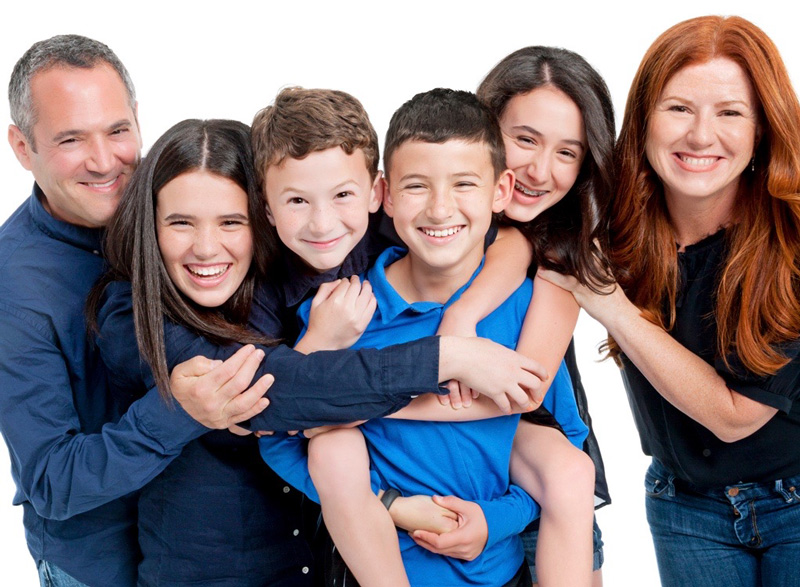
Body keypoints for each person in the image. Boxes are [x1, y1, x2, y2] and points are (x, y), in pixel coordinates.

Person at [91, 116, 548, 586]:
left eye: (231, 221)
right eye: (181, 223)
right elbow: (273, 397)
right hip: (219, 572)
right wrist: (446, 357)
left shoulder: (322, 247)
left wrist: (465, 312)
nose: (207, 248)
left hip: (320, 565)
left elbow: (502, 237)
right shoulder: (133, 314)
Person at [261, 88, 590, 586]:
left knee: (571, 469)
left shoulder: (520, 305)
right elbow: (282, 441)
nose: (440, 210)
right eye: (417, 186)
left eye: (464, 184)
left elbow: (563, 438)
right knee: (331, 446)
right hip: (391, 570)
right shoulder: (344, 314)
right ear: (386, 196)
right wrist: (386, 504)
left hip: (500, 570)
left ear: (500, 191)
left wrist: (497, 519)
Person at [0, 34, 274, 587]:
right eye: (71, 139)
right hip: (102, 563)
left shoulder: (179, 206)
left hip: (213, 549)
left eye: (117, 131)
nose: (105, 161)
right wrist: (182, 410)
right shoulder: (14, 287)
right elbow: (51, 480)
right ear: (23, 148)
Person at [539, 15, 800, 587]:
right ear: (644, 121)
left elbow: (733, 418)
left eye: (730, 112)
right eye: (679, 108)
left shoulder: (793, 239)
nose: (700, 136)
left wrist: (609, 304)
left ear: (763, 130)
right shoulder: (612, 226)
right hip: (683, 504)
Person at [439, 45, 617, 585]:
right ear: (484, 128)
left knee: (569, 475)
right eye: (525, 139)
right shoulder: (431, 216)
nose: (541, 170)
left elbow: (528, 392)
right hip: (448, 472)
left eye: (569, 152)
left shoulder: (566, 248)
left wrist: (376, 401)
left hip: (535, 465)